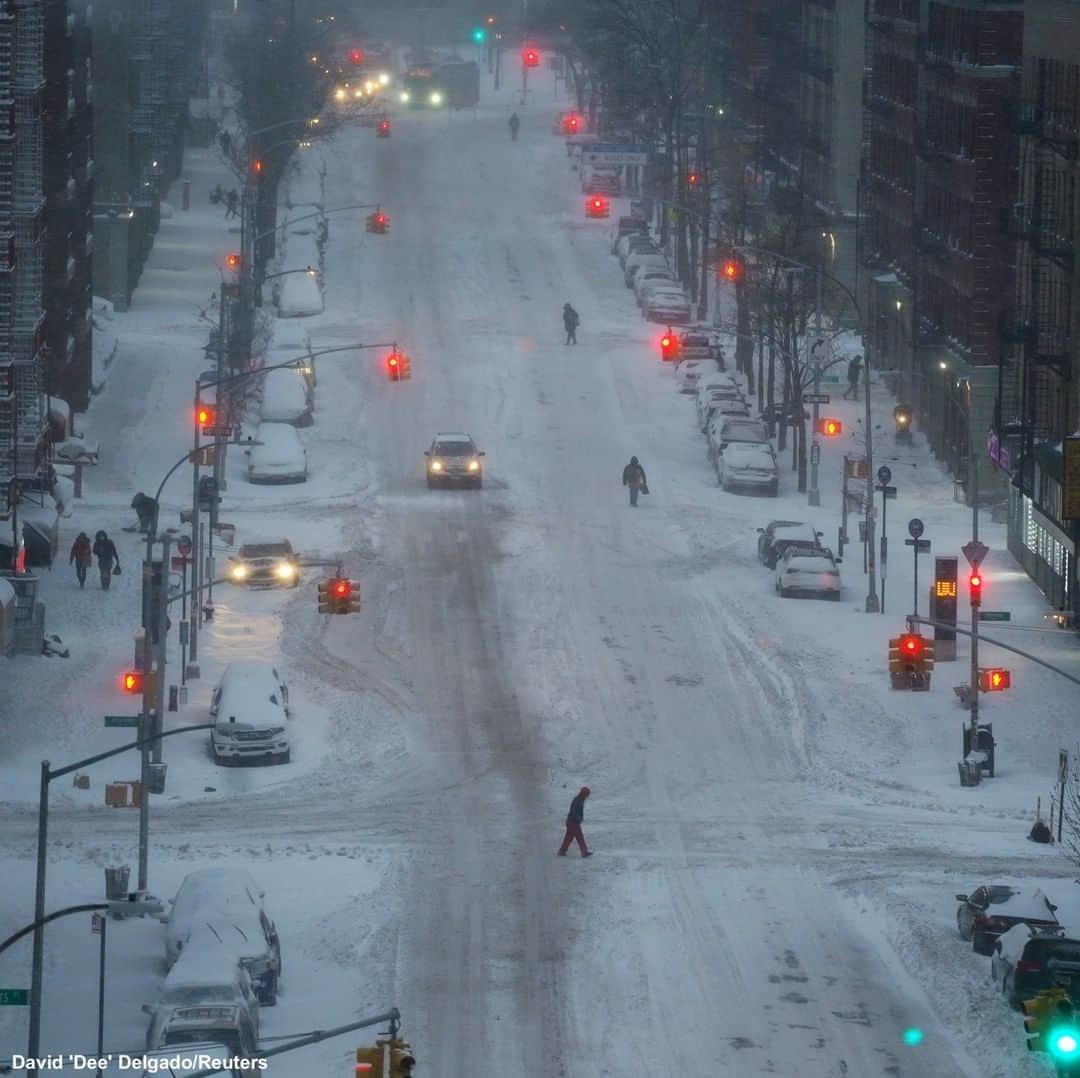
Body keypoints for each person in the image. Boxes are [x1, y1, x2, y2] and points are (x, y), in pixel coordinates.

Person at [558, 787, 593, 857]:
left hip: (572, 821)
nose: (588, 796)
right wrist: (578, 819)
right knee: (578, 837)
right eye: (587, 794)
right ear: (584, 794)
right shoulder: (578, 800)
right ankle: (584, 852)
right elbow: (574, 812)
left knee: (571, 837)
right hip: (573, 822)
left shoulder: (579, 799)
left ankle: (562, 851)